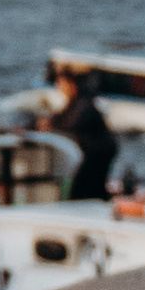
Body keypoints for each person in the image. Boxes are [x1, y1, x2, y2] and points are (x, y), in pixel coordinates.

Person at [54, 65, 119, 202]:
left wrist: (51, 125)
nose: (59, 89)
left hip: (100, 152)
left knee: (83, 187)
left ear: (72, 85)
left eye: (62, 84)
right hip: (92, 151)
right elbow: (60, 117)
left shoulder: (85, 102)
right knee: (90, 185)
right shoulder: (75, 102)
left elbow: (73, 122)